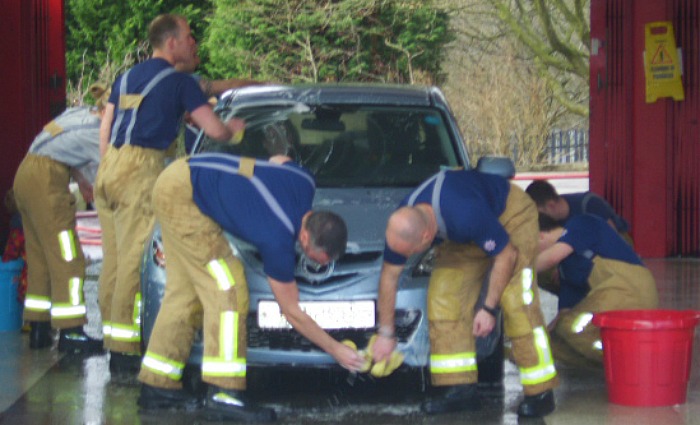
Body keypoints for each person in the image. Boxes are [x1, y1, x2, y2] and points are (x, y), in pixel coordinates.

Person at [136, 153, 362, 422]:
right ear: (304, 236)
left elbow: (279, 159)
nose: (311, 263)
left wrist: (247, 191)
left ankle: (157, 385)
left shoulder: (304, 181)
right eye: (313, 257)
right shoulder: (276, 238)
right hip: (183, 199)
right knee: (228, 289)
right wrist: (336, 349)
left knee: (185, 292)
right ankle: (225, 393)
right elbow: (290, 311)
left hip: (183, 174)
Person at [94, 13, 246, 373]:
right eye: (190, 36)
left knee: (113, 262)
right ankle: (124, 352)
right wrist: (233, 129)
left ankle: (113, 338)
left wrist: (107, 168)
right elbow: (214, 130)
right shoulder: (181, 83)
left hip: (110, 166)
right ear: (172, 42)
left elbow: (107, 124)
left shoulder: (126, 76)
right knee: (134, 260)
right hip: (142, 170)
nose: (195, 43)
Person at [372, 169, 559, 418]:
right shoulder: (402, 222)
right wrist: (386, 333)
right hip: (467, 231)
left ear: (427, 236)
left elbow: (506, 255)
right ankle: (459, 390)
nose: (405, 258)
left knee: (517, 301)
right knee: (444, 297)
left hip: (510, 217)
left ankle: (541, 392)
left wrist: (488, 308)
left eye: (411, 253)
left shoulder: (465, 213)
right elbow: (389, 276)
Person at [11, 83, 110, 352]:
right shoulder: (97, 133)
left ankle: (39, 329)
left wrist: (79, 178)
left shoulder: (79, 113)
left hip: (25, 175)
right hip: (47, 183)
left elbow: (60, 146)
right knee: (68, 257)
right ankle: (71, 332)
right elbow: (110, 174)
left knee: (41, 258)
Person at [536, 213, 658, 367]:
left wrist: (515, 270)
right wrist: (540, 340)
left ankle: (629, 362)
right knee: (557, 344)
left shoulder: (580, 223)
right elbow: (564, 314)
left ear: (539, 236)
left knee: (571, 327)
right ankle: (614, 360)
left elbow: (552, 257)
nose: (535, 256)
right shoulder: (567, 269)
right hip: (611, 296)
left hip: (630, 289)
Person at [525, 179, 631, 241]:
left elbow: (612, 238)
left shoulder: (590, 204)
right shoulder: (553, 219)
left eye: (539, 214)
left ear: (551, 206)